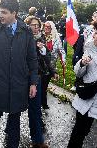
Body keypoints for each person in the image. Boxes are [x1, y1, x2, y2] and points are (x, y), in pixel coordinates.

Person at [0, 0, 38, 148]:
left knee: (14, 121)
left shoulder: (26, 32)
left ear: (14, 13)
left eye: (4, 12)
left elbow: (32, 58)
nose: (0, 15)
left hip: (19, 84)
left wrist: (33, 83)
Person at [67, 20, 97, 148]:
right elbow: (78, 73)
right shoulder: (89, 47)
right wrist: (82, 64)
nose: (93, 35)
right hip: (86, 100)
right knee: (77, 135)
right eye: (93, 32)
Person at [25, 16, 58, 148]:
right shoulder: (24, 38)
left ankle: (38, 140)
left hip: (37, 77)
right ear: (28, 26)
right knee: (16, 107)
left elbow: (47, 56)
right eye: (33, 25)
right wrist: (35, 47)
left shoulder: (42, 37)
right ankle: (10, 131)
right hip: (23, 77)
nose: (36, 27)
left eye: (38, 25)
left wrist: (53, 70)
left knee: (35, 109)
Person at [42, 20, 66, 109]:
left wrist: (63, 60)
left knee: (45, 85)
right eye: (45, 26)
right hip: (41, 66)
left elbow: (61, 51)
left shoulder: (56, 38)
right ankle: (43, 103)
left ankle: (42, 102)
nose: (46, 28)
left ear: (52, 28)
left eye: (49, 27)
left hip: (51, 66)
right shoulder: (41, 36)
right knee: (42, 85)